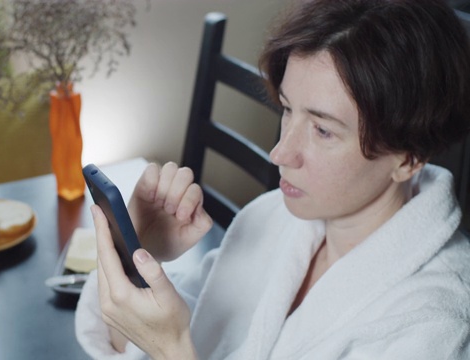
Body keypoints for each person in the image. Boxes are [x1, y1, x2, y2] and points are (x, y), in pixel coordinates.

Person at [75, 0, 470, 358]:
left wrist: (172, 351)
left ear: (409, 158)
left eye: (323, 131)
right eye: (286, 109)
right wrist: (137, 261)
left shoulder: (437, 328)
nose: (280, 153)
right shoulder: (274, 218)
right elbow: (153, 333)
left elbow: (174, 342)